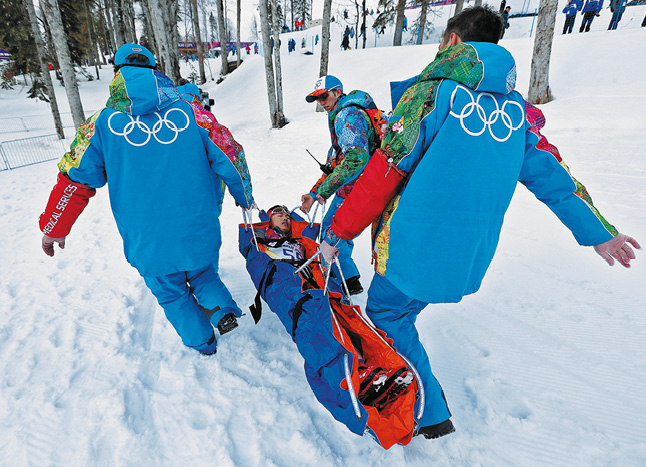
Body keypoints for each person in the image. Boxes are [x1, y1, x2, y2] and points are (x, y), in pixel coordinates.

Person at [319, 5, 640, 440]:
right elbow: (554, 177)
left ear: (453, 41)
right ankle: (425, 406)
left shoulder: (433, 94)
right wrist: (598, 233)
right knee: (401, 315)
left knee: (387, 317)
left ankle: (429, 412)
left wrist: (338, 231)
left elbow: (384, 170)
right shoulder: (517, 111)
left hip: (410, 249)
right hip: (468, 256)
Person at [39, 44, 256, 356]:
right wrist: (244, 195)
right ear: (156, 70)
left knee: (171, 294)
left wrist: (54, 226)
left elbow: (74, 179)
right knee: (203, 272)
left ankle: (203, 344)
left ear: (116, 72)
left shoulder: (100, 124)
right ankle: (222, 312)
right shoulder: (193, 112)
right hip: (197, 224)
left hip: (146, 239)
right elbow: (231, 154)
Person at [300, 75, 382, 296]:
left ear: (337, 92)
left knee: (332, 232)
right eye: (317, 99)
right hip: (356, 186)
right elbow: (335, 161)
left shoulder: (347, 114)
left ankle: (338, 285)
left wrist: (325, 191)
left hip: (362, 188)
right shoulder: (343, 113)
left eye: (324, 96)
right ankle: (348, 279)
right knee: (333, 229)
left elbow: (356, 158)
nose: (322, 102)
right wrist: (315, 191)